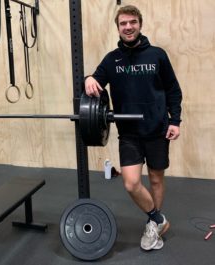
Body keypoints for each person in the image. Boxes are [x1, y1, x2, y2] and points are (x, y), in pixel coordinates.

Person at [84, 5, 182, 251]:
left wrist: (175, 121)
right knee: (130, 183)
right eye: (123, 23)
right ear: (118, 27)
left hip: (158, 129)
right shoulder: (111, 59)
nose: (128, 27)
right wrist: (88, 78)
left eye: (132, 22)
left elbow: (173, 90)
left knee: (157, 180)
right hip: (129, 133)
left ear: (140, 24)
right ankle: (158, 218)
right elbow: (96, 82)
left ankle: (152, 225)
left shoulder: (157, 55)